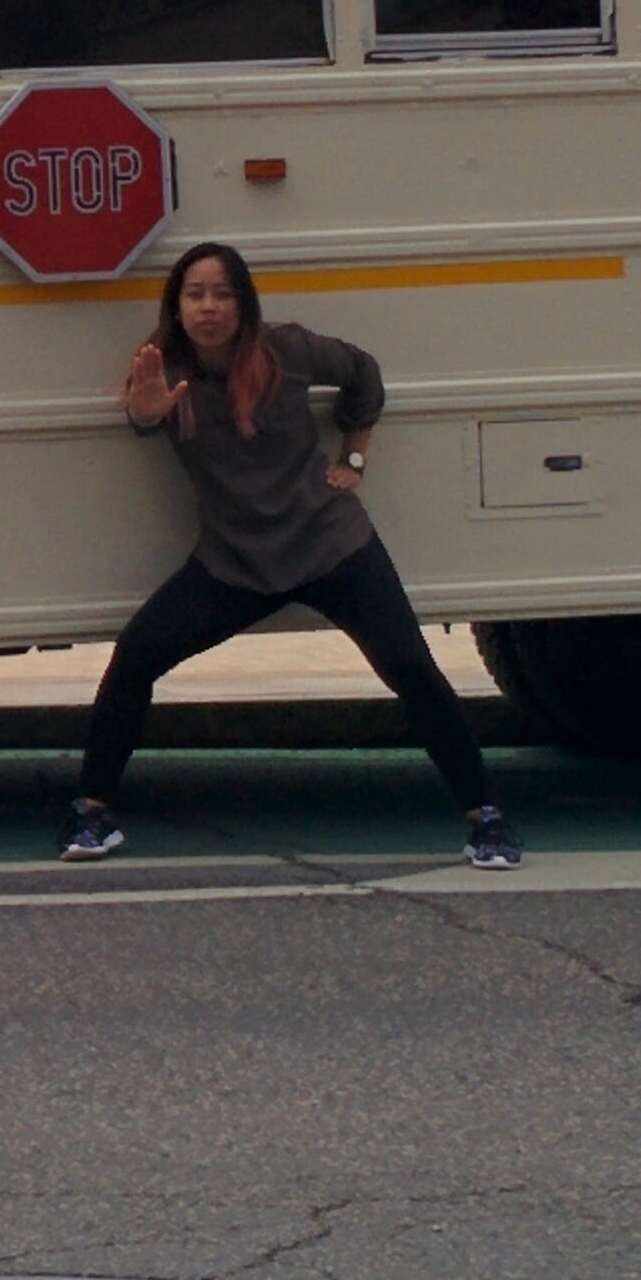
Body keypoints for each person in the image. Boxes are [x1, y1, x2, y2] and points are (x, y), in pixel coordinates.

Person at [59, 239, 522, 871]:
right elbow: (147, 415)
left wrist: (353, 457)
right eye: (195, 294)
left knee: (410, 665)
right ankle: (92, 813)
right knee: (137, 654)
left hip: (330, 544)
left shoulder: (288, 349)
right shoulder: (163, 368)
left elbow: (363, 372)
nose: (209, 307)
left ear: (244, 304)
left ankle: (486, 818)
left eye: (223, 294)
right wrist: (143, 416)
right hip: (232, 562)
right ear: (177, 305)